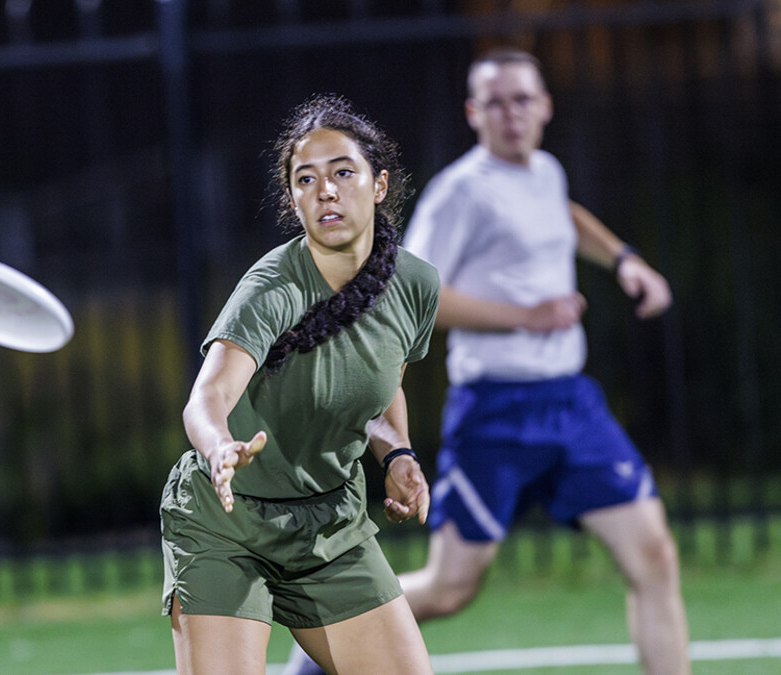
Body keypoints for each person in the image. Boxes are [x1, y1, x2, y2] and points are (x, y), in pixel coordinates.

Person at [285, 47, 691, 675]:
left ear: (545, 106)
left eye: (523, 99)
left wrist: (624, 258)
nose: (512, 114)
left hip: (572, 405)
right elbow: (410, 294)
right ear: (474, 113)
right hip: (496, 411)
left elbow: (563, 216)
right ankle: (324, 643)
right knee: (451, 588)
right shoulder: (461, 192)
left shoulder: (546, 173)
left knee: (655, 559)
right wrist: (523, 317)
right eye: (496, 102)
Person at [160, 93, 440, 675]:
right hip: (226, 523)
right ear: (294, 199)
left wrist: (399, 455)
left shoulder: (416, 285)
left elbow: (381, 393)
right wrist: (217, 447)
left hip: (331, 525)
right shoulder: (271, 287)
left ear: (379, 184)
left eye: (343, 172)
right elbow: (208, 397)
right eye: (306, 180)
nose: (326, 190)